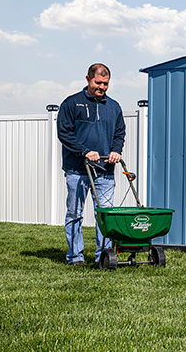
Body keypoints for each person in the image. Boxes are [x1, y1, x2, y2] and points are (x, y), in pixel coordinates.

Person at [57, 63, 126, 266]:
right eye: (98, 82)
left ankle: (103, 257)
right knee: (75, 214)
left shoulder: (113, 107)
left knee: (105, 217)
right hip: (77, 171)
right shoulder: (72, 103)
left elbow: (119, 134)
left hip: (105, 172)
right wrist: (84, 151)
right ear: (88, 79)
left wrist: (116, 151)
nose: (101, 87)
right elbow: (64, 133)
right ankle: (75, 257)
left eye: (105, 84)